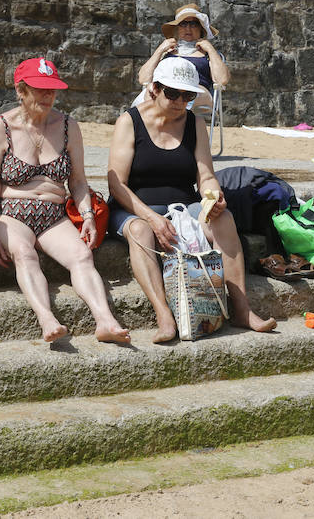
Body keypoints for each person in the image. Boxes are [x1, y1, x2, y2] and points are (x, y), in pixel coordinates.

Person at [108, 57, 276, 343]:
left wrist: (213, 196)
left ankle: (241, 308)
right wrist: (151, 217)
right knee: (140, 230)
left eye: (187, 96)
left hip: (182, 202)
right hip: (135, 203)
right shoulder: (130, 121)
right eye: (172, 93)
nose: (179, 102)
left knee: (223, 217)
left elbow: (205, 174)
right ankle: (164, 314)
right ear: (154, 89)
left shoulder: (194, 124)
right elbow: (116, 184)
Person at [0, 57, 130, 345]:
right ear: (21, 90)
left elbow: (77, 181)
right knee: (24, 254)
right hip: (13, 211)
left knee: (82, 257)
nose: (48, 96)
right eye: (40, 89)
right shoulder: (2, 128)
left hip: (53, 212)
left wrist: (87, 215)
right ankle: (46, 318)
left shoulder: (67, 125)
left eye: (52, 89)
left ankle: (105, 320)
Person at [136, 3, 228, 113]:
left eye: (193, 24)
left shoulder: (208, 54)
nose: (188, 28)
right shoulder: (167, 51)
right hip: (167, 91)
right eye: (183, 24)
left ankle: (177, 124)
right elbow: (143, 79)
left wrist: (210, 49)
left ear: (201, 28)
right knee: (150, 90)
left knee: (181, 95)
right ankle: (146, 127)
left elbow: (222, 80)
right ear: (177, 28)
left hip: (194, 92)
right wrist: (160, 50)